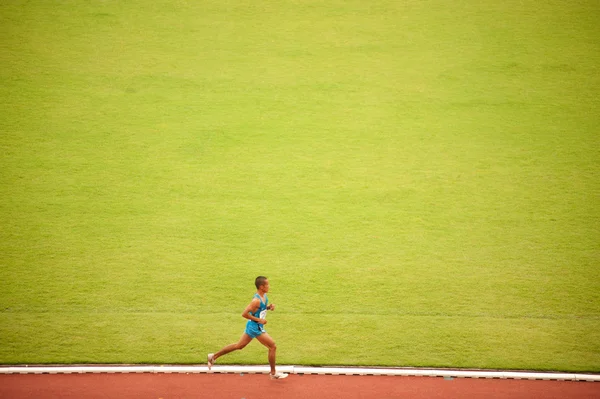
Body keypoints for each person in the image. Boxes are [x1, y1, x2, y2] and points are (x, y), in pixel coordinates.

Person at [207, 276, 288, 379]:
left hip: (254, 326)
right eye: (267, 284)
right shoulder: (256, 300)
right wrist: (260, 320)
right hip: (255, 327)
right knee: (272, 346)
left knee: (239, 346)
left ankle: (213, 357)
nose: (269, 286)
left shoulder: (264, 296)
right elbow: (244, 314)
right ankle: (273, 373)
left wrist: (268, 307)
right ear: (261, 286)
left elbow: (259, 310)